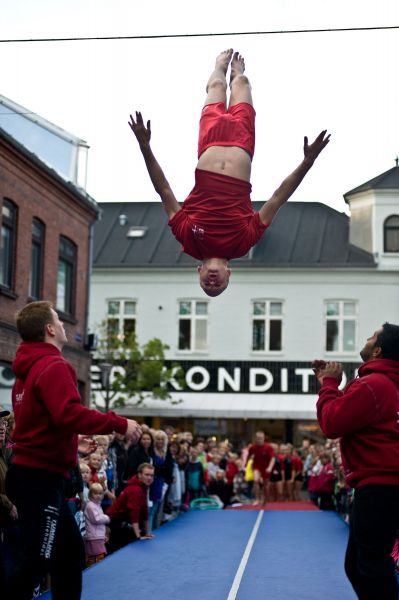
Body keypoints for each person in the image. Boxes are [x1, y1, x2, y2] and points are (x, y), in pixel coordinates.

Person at [129, 49, 330, 297]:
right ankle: (238, 73)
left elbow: (164, 190)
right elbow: (278, 198)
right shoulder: (243, 243)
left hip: (210, 140)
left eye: (207, 284)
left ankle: (219, 65)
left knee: (215, 84)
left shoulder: (188, 239)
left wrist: (144, 146)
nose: (213, 281)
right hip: (241, 141)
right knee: (242, 83)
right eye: (219, 285)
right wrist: (308, 161)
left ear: (199, 271)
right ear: (229, 274)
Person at [5, 300, 142, 600]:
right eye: (59, 319)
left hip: (35, 474)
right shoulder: (55, 365)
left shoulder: (25, 372)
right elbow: (68, 413)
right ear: (50, 329)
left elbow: (38, 424)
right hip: (40, 479)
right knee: (37, 560)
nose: (65, 325)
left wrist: (71, 442)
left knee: (68, 556)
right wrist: (118, 423)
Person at [313, 322, 399, 600]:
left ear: (378, 351)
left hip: (379, 486)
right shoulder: (388, 385)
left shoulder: (374, 384)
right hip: (386, 486)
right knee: (360, 564)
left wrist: (328, 384)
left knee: (369, 566)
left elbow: (332, 422)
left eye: (372, 336)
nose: (366, 338)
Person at [106, 463, 155, 553]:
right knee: (118, 549)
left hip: (122, 520)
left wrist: (147, 533)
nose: (149, 478)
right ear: (139, 475)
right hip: (114, 521)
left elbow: (144, 510)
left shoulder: (143, 487)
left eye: (152, 475)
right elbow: (134, 512)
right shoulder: (135, 489)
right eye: (147, 475)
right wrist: (138, 536)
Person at [83, 483, 110, 567]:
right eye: (95, 493)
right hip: (94, 536)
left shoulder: (97, 505)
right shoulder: (91, 506)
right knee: (95, 556)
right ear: (90, 494)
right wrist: (106, 518)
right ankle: (91, 570)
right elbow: (96, 519)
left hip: (97, 535)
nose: (98, 496)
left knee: (98, 556)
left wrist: (103, 535)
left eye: (100, 493)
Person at [246, 431, 275, 505]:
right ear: (255, 438)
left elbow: (273, 458)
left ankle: (265, 498)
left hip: (266, 467)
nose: (259, 440)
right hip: (256, 467)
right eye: (258, 438)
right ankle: (257, 499)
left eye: (261, 438)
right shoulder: (252, 447)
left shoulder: (268, 447)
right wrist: (245, 464)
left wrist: (270, 467)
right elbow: (248, 456)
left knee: (266, 485)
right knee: (255, 480)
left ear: (264, 438)